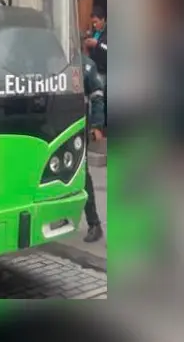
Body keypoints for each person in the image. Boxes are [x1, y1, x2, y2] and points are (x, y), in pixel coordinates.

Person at [81, 53, 105, 243]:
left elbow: (97, 96)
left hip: (79, 128)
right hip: (58, 126)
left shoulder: (86, 65)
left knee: (82, 174)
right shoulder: (57, 62)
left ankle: (94, 224)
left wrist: (97, 125)